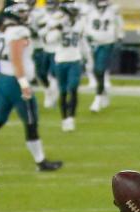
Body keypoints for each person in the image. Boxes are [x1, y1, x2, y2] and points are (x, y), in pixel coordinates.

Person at [0, 3, 62, 171]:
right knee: (31, 121)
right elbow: (16, 58)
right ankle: (41, 162)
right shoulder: (18, 31)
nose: (26, 15)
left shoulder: (5, 30)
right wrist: (24, 83)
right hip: (15, 81)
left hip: (4, 79)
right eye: (23, 13)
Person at [47, 0, 84, 131]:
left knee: (73, 89)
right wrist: (58, 29)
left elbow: (81, 39)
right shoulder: (58, 22)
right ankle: (64, 119)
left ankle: (71, 118)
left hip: (74, 59)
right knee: (62, 92)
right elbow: (49, 39)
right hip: (61, 60)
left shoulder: (79, 24)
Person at [85, 0, 123, 112]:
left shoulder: (112, 11)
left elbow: (119, 24)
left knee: (100, 70)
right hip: (93, 44)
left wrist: (119, 36)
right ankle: (103, 92)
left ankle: (97, 99)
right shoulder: (89, 11)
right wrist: (87, 35)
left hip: (106, 44)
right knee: (95, 70)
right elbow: (85, 25)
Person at [29, 0, 60, 109]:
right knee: (41, 73)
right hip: (42, 47)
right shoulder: (40, 14)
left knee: (54, 73)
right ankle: (48, 91)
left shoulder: (60, 15)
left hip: (56, 48)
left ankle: (53, 95)